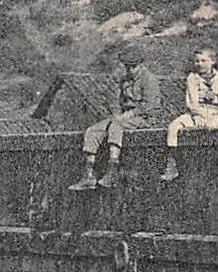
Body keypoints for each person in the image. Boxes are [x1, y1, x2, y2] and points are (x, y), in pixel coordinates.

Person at [69, 44, 162, 191]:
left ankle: (112, 171)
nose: (130, 70)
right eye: (127, 66)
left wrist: (130, 114)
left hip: (144, 118)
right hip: (125, 117)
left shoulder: (149, 79)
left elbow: (151, 105)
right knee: (93, 130)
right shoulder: (125, 80)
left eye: (133, 66)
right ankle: (89, 175)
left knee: (116, 127)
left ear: (141, 64)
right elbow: (118, 102)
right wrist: (117, 114)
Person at [160, 47, 218, 182]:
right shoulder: (192, 77)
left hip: (214, 113)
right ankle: (172, 165)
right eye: (197, 61)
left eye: (203, 61)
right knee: (174, 126)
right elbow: (191, 101)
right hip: (196, 113)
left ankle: (214, 166)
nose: (199, 64)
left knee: (215, 131)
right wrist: (197, 115)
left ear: (213, 61)